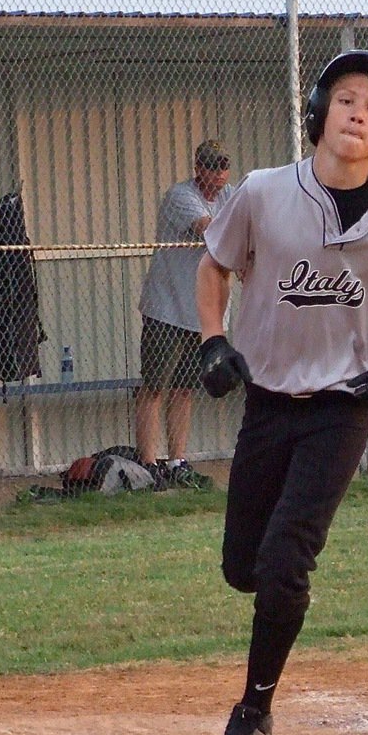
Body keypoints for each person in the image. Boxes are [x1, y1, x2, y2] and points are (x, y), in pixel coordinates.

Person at [195, 49, 368, 735]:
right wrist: (214, 340)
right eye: (347, 100)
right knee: (243, 567)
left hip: (342, 410)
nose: (359, 115)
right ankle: (273, 605)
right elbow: (215, 262)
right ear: (319, 113)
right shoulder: (261, 191)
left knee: (286, 561)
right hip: (267, 401)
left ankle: (253, 713)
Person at [135, 139, 234, 488]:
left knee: (185, 388)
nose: (218, 175)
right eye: (211, 167)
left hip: (202, 313)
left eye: (223, 167)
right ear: (198, 168)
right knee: (155, 386)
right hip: (167, 307)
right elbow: (211, 231)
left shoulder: (230, 195)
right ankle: (148, 465)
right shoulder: (181, 196)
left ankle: (177, 461)